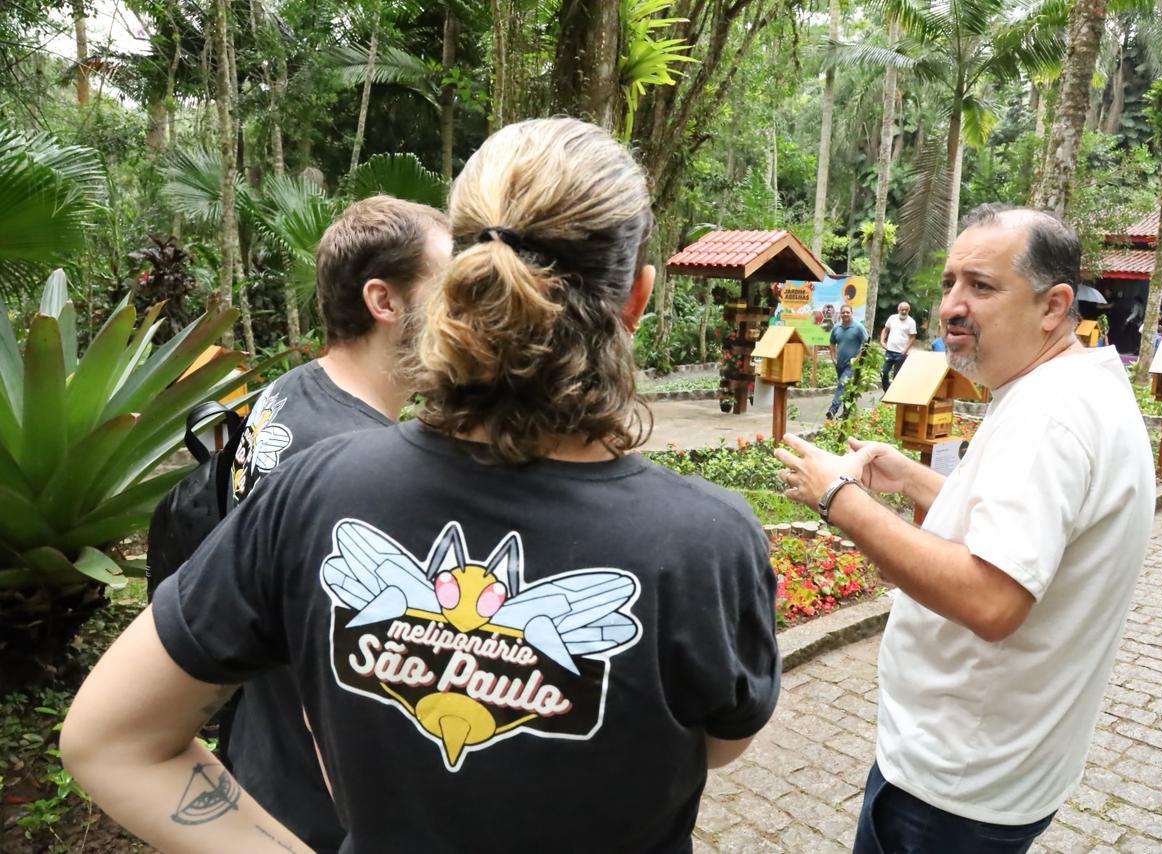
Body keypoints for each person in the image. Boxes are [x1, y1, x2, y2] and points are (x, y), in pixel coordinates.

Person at [61, 117, 780, 853]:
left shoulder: (318, 490)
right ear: (637, 298)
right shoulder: (707, 541)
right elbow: (719, 745)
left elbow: (109, 741)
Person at [774, 204, 1154, 851]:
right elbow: (1027, 533)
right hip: (996, 765)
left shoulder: (1048, 417)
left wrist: (837, 497)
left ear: (1053, 306)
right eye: (950, 282)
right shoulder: (1067, 388)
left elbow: (992, 597)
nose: (953, 304)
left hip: (954, 787)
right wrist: (911, 478)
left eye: (981, 286)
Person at [212, 196, 456, 852]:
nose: (465, 311)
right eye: (450, 288)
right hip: (322, 812)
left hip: (261, 767)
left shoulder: (284, 397)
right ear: (385, 301)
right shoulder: (358, 470)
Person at [826, 303, 868, 420]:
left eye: (847, 312)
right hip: (840, 364)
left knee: (842, 385)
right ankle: (846, 413)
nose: (845, 314)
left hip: (851, 365)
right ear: (840, 314)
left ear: (851, 313)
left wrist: (857, 359)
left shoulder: (858, 327)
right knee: (845, 389)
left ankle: (832, 410)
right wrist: (833, 358)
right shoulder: (836, 328)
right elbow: (831, 343)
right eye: (843, 312)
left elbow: (866, 344)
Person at [879, 301, 917, 390]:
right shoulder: (892, 318)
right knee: (883, 372)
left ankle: (894, 396)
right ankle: (886, 391)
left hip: (901, 353)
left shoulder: (911, 322)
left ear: (909, 310)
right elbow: (885, 330)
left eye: (906, 310)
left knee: (897, 376)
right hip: (889, 351)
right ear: (898, 309)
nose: (904, 311)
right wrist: (882, 341)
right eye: (902, 309)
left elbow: (912, 337)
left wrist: (905, 350)